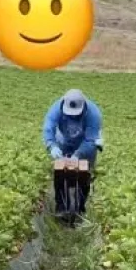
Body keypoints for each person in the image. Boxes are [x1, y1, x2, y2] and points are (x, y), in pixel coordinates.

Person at [42, 88, 103, 216]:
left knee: (84, 173)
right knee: (60, 170)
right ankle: (61, 207)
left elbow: (90, 139)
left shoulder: (94, 114)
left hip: (86, 144)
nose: (73, 116)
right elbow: (48, 127)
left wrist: (78, 154)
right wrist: (51, 145)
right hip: (64, 140)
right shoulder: (56, 108)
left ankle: (80, 208)